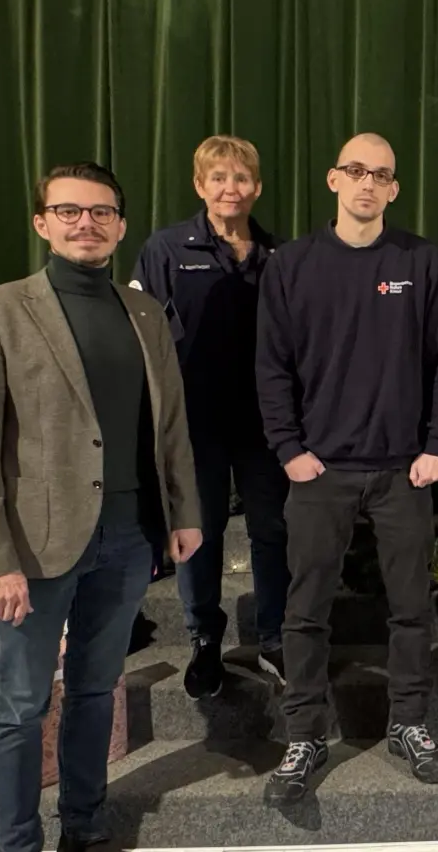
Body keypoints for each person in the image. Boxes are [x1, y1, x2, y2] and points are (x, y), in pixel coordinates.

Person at [0, 162, 203, 852]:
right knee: (19, 707)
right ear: (42, 223)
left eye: (101, 212)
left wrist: (184, 510)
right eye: (68, 211)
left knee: (96, 691)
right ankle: (17, 843)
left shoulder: (145, 313)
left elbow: (169, 424)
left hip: (127, 537)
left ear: (120, 225)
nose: (85, 223)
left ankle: (84, 829)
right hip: (30, 550)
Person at [258, 133, 438, 802]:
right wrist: (289, 449)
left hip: (406, 471)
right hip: (321, 472)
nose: (368, 183)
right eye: (356, 171)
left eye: (381, 173)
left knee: (411, 606)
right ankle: (305, 733)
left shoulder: (424, 264)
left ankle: (408, 722)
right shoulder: (291, 265)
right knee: (306, 610)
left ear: (395, 188)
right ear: (333, 179)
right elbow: (272, 367)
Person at [130, 135, 291, 697]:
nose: (231, 188)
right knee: (201, 534)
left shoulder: (278, 254)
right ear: (200, 186)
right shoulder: (166, 249)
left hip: (266, 425)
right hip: (193, 424)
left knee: (274, 530)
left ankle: (274, 639)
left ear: (257, 187)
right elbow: (141, 336)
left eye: (242, 178)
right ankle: (205, 641)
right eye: (218, 178)